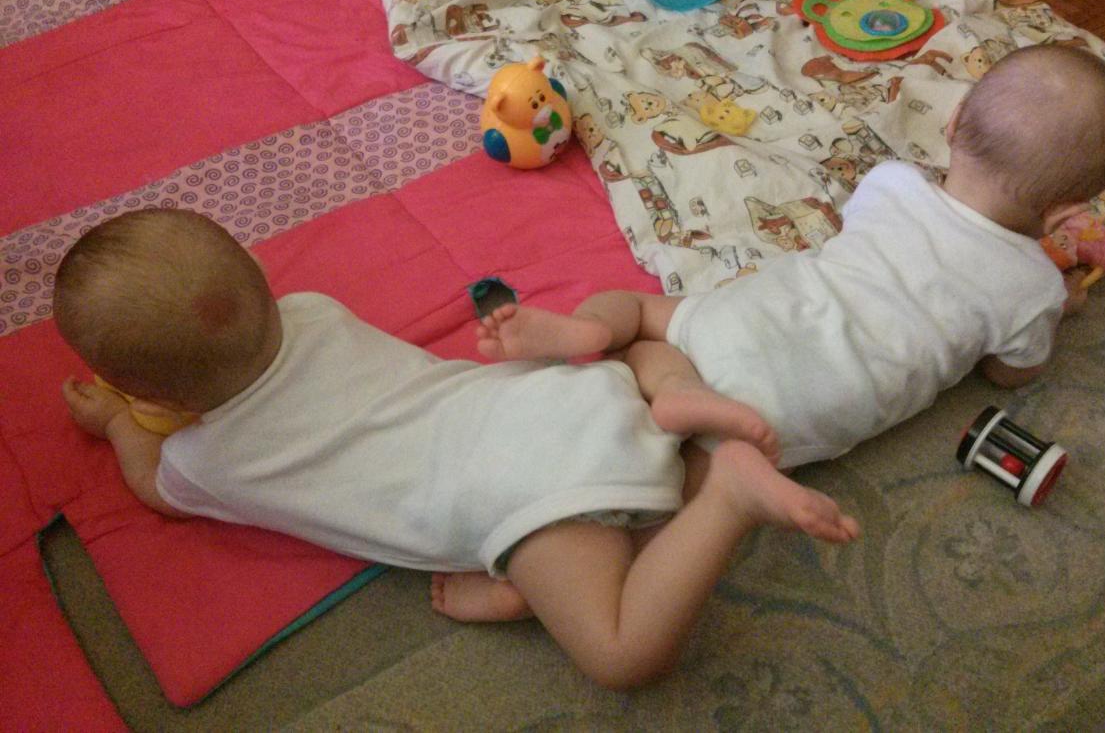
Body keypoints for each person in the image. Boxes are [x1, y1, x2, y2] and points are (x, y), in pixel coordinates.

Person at [53, 208, 860, 691]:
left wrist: (121, 425)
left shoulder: (204, 462)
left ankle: (727, 499)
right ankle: (667, 391)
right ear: (263, 280)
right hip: (549, 397)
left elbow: (153, 485)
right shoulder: (313, 311)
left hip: (520, 493)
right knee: (631, 368)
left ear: (154, 397)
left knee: (620, 654)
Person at [476, 44, 1105, 471]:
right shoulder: (1032, 287)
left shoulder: (891, 183)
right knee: (676, 479)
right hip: (801, 408)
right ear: (1065, 215)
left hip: (749, 317)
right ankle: (682, 408)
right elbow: (1008, 374)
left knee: (641, 316)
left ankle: (590, 330)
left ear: (953, 120)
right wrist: (1060, 305)